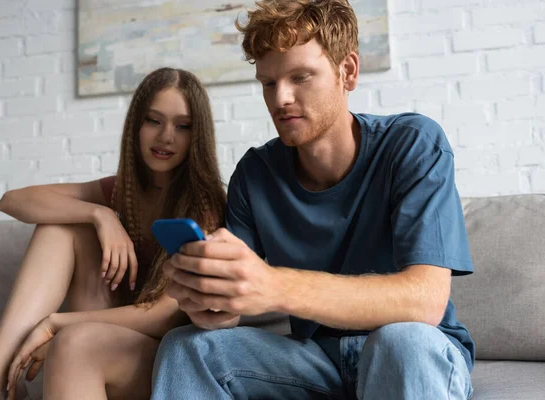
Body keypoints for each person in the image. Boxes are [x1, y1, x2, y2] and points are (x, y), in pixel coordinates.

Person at [150, 1, 475, 399]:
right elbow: (230, 312)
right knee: (187, 347)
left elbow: (424, 301)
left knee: (401, 341)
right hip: (315, 359)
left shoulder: (412, 144)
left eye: (300, 76)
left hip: (412, 350)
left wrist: (273, 285)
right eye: (268, 83)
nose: (280, 98)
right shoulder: (255, 174)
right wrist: (210, 301)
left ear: (348, 71)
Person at [0, 67, 226, 400]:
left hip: (163, 355)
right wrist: (100, 214)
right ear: (135, 126)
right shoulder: (121, 191)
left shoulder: (206, 205)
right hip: (99, 340)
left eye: (182, 126)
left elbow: (162, 315)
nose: (166, 137)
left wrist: (57, 323)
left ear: (197, 135)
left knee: (75, 339)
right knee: (60, 227)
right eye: (153, 121)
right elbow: (12, 201)